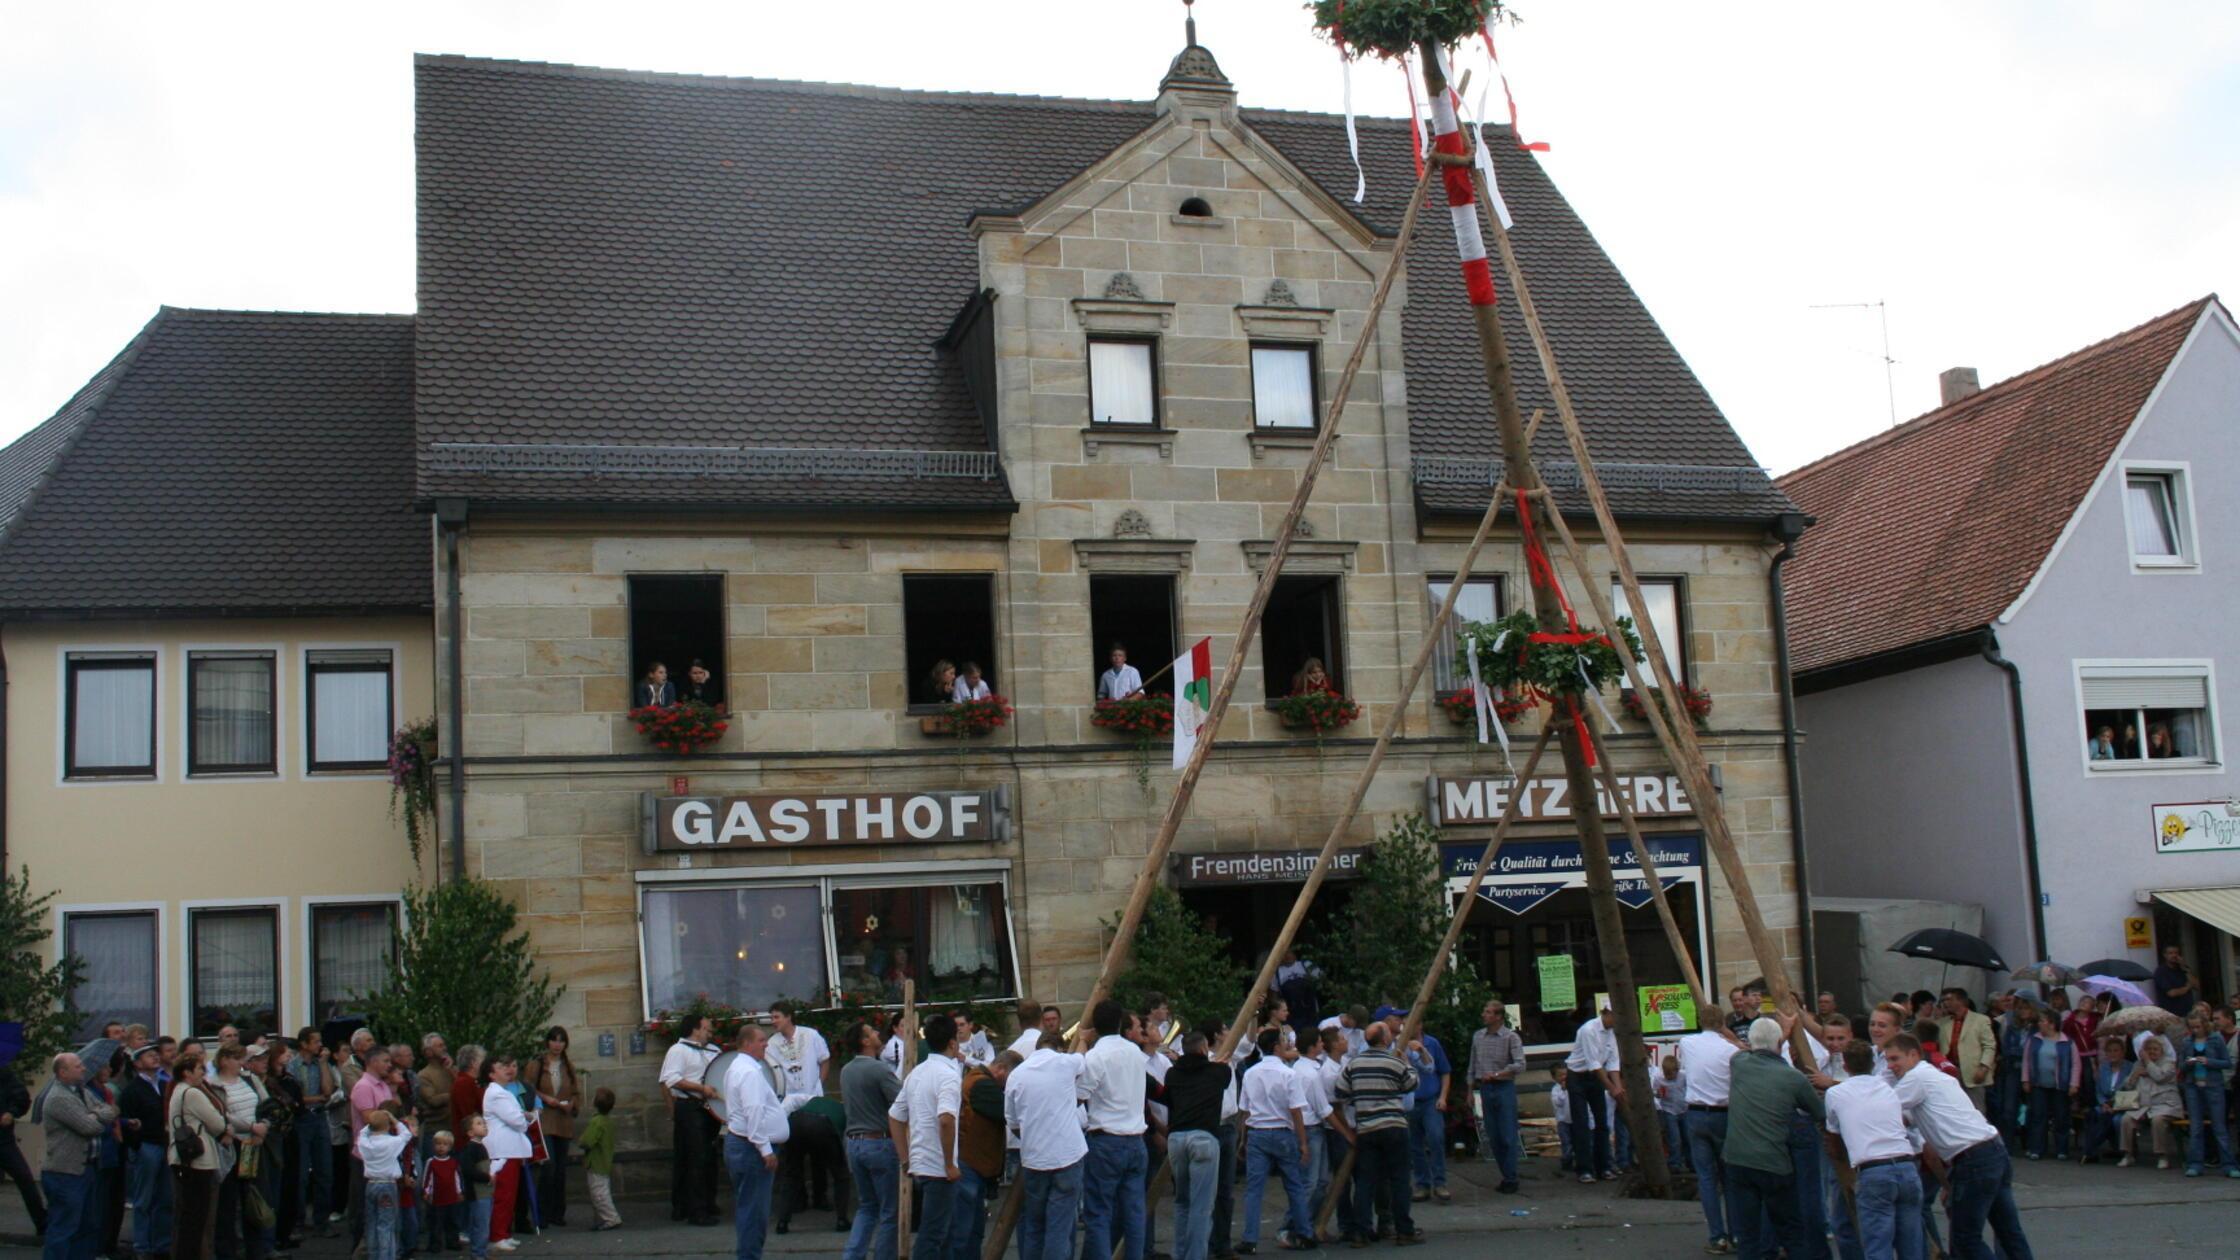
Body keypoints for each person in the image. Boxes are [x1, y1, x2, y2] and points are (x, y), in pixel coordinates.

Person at [1885, 1033, 2034, 1260]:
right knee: (2009, 1232)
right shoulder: (1934, 1077)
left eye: (1895, 1059)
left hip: (1974, 1159)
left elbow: (1882, 1107)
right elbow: (1906, 1120)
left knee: (1965, 1240)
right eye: (1888, 1060)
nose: (1891, 1066)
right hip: (1993, 1150)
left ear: (1913, 1055)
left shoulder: (1916, 1079)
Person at [1722, 1019, 1821, 1260]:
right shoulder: (1793, 1078)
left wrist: (1780, 1037)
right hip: (1774, 1163)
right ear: (1779, 1043)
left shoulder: (1738, 1063)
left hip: (1737, 1160)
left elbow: (1753, 1050)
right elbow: (1819, 1112)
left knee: (1748, 1235)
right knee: (1791, 1232)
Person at [1822, 1040, 1922, 1260]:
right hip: (1906, 1166)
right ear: (1873, 1063)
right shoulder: (1887, 1088)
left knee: (1878, 1246)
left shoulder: (1835, 1093)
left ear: (1845, 1066)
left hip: (1873, 1170)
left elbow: (1834, 1137)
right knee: (1912, 1245)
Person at [1333, 1022, 1420, 1246]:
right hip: (1393, 1125)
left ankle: (1361, 1232)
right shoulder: (1394, 1061)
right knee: (1399, 1179)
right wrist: (1407, 1063)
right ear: (1384, 1039)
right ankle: (1404, 1230)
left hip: (1367, 1128)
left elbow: (1340, 1090)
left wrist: (1359, 1097)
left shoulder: (1354, 1064)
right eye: (1389, 1033)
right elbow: (1412, 1084)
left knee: (1366, 1181)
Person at [1076, 1000, 1149, 1260]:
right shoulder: (1135, 1053)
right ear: (1120, 1023)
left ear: (1095, 1027)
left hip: (1106, 1139)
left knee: (1099, 1213)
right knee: (1134, 1212)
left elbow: (1079, 1094)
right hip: (1136, 1138)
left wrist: (1082, 1045)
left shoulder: (1096, 1055)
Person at [887, 1013, 963, 1260]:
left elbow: (896, 1117)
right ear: (953, 1043)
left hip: (920, 1162)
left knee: (944, 1232)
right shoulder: (949, 1076)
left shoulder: (917, 1073)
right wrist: (950, 1164)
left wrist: (906, 1158)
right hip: (939, 1167)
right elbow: (946, 1119)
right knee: (934, 1235)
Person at [1153, 1029, 1229, 1260]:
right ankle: (1195, 1255)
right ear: (1205, 1049)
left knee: (1182, 1202)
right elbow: (1221, 1078)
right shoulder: (1219, 1071)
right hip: (1204, 1138)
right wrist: (1219, 1063)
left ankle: (1179, 1253)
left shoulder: (1173, 1075)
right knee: (1201, 1206)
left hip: (1177, 1139)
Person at [39, 1050, 118, 1260]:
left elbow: (111, 1110)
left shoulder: (82, 1091)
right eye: (77, 1066)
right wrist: (95, 1116)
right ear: (63, 1072)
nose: (83, 1068)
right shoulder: (58, 1097)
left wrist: (94, 1114)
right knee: (64, 1227)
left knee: (88, 1226)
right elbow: (88, 1127)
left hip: (88, 1168)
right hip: (65, 1173)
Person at [1239, 1028, 1311, 1252]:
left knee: (1254, 1189)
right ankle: (1304, 1232)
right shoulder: (1288, 1074)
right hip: (1282, 1130)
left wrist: (1243, 1139)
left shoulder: (1251, 1073)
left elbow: (1245, 1110)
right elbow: (1296, 1110)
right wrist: (1303, 1141)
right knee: (1294, 1185)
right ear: (1277, 1047)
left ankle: (1250, 1238)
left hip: (1257, 1132)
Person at [1675, 1007, 1740, 1253]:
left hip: (1696, 1112)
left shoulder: (1687, 1043)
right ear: (1723, 1022)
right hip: (1723, 1113)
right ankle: (1736, 1234)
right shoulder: (1731, 1050)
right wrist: (1728, 1034)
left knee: (1706, 1177)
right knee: (1730, 1178)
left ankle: (1717, 1236)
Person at [725, 1025, 789, 1260]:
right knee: (754, 1213)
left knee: (749, 1208)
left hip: (742, 1145)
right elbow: (753, 1111)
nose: (766, 1044)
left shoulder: (739, 1067)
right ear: (747, 1043)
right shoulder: (749, 1072)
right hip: (751, 1149)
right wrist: (765, 1150)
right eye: (761, 1040)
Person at [840, 1022, 902, 1260]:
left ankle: (853, 1255)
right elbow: (901, 1101)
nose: (878, 1033)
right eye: (872, 1032)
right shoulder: (879, 1070)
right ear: (865, 1041)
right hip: (879, 1142)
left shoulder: (846, 1071)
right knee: (889, 1211)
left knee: (867, 1207)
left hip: (854, 1143)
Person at [659, 1015, 722, 1226]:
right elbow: (671, 1079)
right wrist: (701, 1088)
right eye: (707, 1029)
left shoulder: (713, 1051)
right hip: (689, 1107)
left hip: (708, 1110)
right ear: (696, 1029)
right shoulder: (678, 1050)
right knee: (694, 1159)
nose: (710, 1033)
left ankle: (706, 1202)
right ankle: (695, 1211)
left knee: (708, 1158)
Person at [954, 1049, 1013, 1260]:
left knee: (972, 1229)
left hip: (974, 1163)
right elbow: (1007, 1112)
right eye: (1010, 1078)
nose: (1009, 1085)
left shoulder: (977, 1080)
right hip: (971, 1163)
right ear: (1001, 1069)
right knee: (965, 1231)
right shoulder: (982, 1084)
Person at [171, 1053, 230, 1260]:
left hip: (180, 1160)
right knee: (196, 1218)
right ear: (187, 1072)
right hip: (198, 1161)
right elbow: (217, 1123)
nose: (204, 1073)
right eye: (199, 1069)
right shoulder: (192, 1093)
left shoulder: (177, 1090)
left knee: (187, 1217)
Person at [120, 1043, 173, 1258]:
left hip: (164, 1144)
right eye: (149, 1055)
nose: (155, 1058)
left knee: (165, 1198)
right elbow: (126, 1119)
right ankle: (142, 1245)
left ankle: (162, 1243)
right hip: (147, 1146)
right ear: (137, 1063)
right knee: (144, 1199)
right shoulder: (132, 1089)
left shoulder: (163, 1085)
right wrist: (138, 1144)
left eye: (155, 1054)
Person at [524, 1026, 580, 1227]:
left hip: (563, 1121)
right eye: (554, 1040)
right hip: (545, 1119)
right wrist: (546, 1098)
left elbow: (575, 1090)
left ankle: (558, 1212)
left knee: (561, 1171)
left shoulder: (567, 1066)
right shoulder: (537, 1064)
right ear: (548, 1042)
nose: (557, 1045)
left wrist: (572, 1104)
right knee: (549, 1167)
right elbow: (528, 1089)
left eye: (561, 1041)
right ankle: (542, 1212)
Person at [1468, 1000, 1525, 1194]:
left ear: (1499, 1016)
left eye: (1488, 1012)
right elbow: (1472, 1064)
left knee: (1507, 1134)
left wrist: (1498, 1074)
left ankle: (1511, 1177)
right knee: (1493, 1135)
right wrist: (1469, 1089)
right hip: (1485, 1088)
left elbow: (1520, 1064)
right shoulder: (1478, 1036)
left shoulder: (1510, 1037)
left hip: (1503, 1086)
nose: (1484, 1015)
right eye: (1484, 1011)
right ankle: (1505, 1174)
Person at [1564, 1003, 1620, 1183]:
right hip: (1578, 1076)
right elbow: (1594, 1063)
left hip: (1596, 1077)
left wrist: (1618, 1087)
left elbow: (1613, 1062)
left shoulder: (1612, 1033)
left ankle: (1604, 1166)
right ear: (1607, 1013)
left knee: (1602, 1122)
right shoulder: (1588, 1030)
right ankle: (1584, 1169)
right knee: (1581, 1122)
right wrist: (1611, 1088)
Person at [2176, 1013, 2238, 1177]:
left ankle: (2229, 1165)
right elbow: (2181, 1066)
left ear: (2205, 1025)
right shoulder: (2186, 1041)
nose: (2196, 1030)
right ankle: (2195, 1163)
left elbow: (2227, 1062)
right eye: (2192, 1027)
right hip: (2193, 1087)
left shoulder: (2216, 1039)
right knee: (2196, 1127)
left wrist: (2208, 1061)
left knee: (2219, 1127)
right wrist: (2189, 1063)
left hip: (2213, 1086)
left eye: (2198, 1027)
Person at [480, 1054, 531, 1253]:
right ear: (492, 1074)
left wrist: (522, 1117)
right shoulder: (496, 1093)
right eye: (501, 1067)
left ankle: (504, 1232)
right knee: (503, 1194)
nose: (506, 1070)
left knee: (510, 1193)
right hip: (503, 1149)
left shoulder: (501, 1092)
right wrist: (524, 1118)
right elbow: (516, 1120)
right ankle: (497, 1234)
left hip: (510, 1148)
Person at [1397, 1016, 1449, 1203]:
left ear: (1419, 1025)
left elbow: (1444, 1071)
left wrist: (1442, 1097)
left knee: (1435, 1138)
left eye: (1412, 1023)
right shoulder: (1400, 1044)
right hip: (1411, 1101)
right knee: (1414, 1145)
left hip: (1429, 1100)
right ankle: (1422, 1184)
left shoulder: (1431, 1043)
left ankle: (1440, 1183)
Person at [2019, 1011, 2079, 1161]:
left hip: (2060, 1086)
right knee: (2038, 1116)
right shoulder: (2034, 1040)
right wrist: (2025, 1080)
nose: (2039, 1023)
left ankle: (2062, 1149)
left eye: (2043, 1021)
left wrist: (2074, 1083)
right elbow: (2026, 1061)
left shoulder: (2067, 1042)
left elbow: (2076, 1065)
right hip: (2038, 1084)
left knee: (2061, 1117)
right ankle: (2037, 1148)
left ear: (2052, 1024)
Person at [358, 1108, 416, 1260]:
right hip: (387, 1185)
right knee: (386, 1225)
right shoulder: (392, 1142)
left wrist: (371, 1122)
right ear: (388, 1126)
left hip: (370, 1184)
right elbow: (407, 1134)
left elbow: (362, 1134)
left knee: (371, 1223)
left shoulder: (365, 1143)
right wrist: (393, 1118)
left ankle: (373, 1255)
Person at [2119, 1034, 2182, 1168]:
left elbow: (2159, 1077)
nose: (2152, 1051)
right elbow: (2127, 1086)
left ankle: (2162, 1156)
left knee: (2158, 1120)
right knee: (2126, 1119)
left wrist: (2148, 1062)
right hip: (2143, 1105)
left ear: (2161, 1050)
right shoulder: (2137, 1064)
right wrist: (2134, 1076)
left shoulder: (2168, 1063)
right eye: (2149, 1049)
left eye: (2155, 1049)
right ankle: (2128, 1155)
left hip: (2165, 1105)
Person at [0, 1057, 47, 1237]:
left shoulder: (4, 1072)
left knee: (25, 1179)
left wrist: (11, 1112)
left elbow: (21, 1096)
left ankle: (42, 1222)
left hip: (3, 1139)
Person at [1935, 990, 1996, 1109]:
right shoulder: (1942, 1023)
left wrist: (1984, 1067)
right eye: (1943, 1000)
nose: (1945, 1003)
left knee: (1976, 1108)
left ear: (1961, 1001)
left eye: (1949, 999)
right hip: (1950, 1071)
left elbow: (1989, 1046)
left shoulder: (1980, 1020)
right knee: (1954, 1107)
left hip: (1973, 1071)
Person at [573, 1086, 620, 1232]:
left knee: (598, 1193)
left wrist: (581, 1141)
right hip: (604, 1160)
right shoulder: (608, 1121)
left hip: (596, 1162)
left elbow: (588, 1141)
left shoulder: (597, 1122)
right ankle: (602, 1218)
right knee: (601, 1189)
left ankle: (611, 1218)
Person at [423, 1127, 467, 1246]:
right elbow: (427, 1178)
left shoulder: (453, 1162)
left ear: (450, 1147)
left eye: (445, 1144)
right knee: (436, 1222)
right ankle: (435, 1244)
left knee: (452, 1221)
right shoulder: (431, 1162)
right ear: (433, 1145)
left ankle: (453, 1242)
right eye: (438, 1144)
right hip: (437, 1198)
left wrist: (459, 1192)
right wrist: (426, 1191)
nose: (441, 1147)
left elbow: (457, 1178)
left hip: (451, 1197)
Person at [1652, 1052, 1690, 1174]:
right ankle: (1674, 1163)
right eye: (1666, 1074)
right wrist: (1658, 1094)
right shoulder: (1659, 1078)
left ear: (1677, 1070)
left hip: (1683, 1109)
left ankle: (1690, 1162)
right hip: (1669, 1110)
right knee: (1674, 1138)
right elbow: (1656, 1092)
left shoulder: (1683, 1076)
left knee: (1687, 1137)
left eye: (1671, 1074)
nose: (1668, 1076)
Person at [2154, 945, 2198, 1017]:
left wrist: (2184, 968)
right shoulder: (2161, 972)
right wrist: (2187, 987)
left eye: (2176, 953)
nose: (2174, 955)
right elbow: (2171, 993)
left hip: (2188, 1013)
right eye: (2171, 953)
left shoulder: (2183, 969)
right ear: (2165, 955)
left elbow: (2196, 986)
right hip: (2171, 1014)